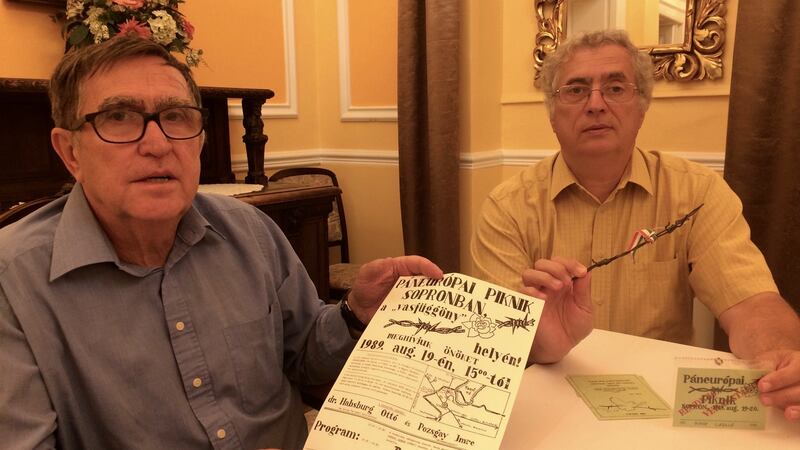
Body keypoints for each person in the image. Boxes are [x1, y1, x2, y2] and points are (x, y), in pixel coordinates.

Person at [0, 36, 443, 450]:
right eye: (119, 117)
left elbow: (306, 357)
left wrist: (355, 315)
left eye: (175, 117)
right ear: (70, 152)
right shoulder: (13, 283)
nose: (158, 143)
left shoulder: (249, 230)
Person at [471, 30, 800, 420]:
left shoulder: (697, 192)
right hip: (548, 404)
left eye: (615, 87)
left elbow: (751, 303)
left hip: (664, 407)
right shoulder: (507, 207)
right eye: (575, 90)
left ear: (642, 108)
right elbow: (497, 342)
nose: (595, 104)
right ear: (552, 115)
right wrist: (545, 344)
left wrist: (780, 354)